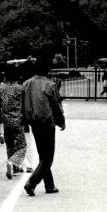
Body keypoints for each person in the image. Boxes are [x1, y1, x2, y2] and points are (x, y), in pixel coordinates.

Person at [21, 55, 65, 196]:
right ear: (48, 69)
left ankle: (50, 185)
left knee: (43, 156)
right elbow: (56, 106)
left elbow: (22, 105)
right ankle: (31, 182)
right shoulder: (50, 85)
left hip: (34, 123)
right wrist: (61, 121)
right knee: (48, 158)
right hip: (47, 123)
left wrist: (24, 121)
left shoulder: (27, 83)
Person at [0, 68, 27, 179]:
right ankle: (13, 162)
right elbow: (24, 104)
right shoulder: (20, 89)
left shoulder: (0, 89)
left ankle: (13, 167)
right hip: (18, 119)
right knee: (22, 146)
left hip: (6, 119)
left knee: (10, 144)